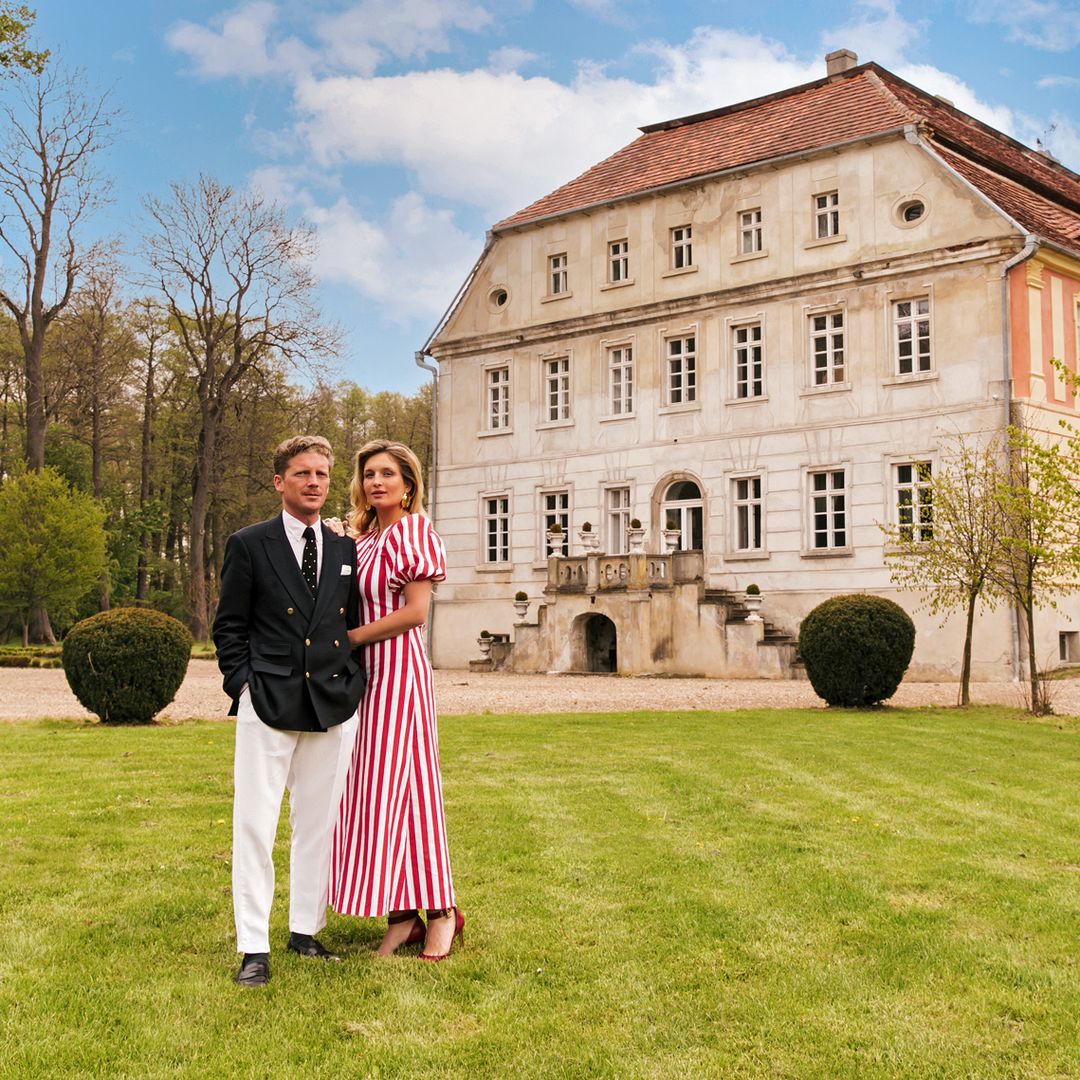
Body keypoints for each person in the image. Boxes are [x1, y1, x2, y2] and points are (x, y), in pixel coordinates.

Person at [213, 435, 367, 988]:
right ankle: (254, 946)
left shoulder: (346, 549)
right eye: (303, 473)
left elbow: (347, 620)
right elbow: (229, 626)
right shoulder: (249, 544)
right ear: (280, 482)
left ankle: (305, 929)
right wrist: (244, 684)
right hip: (268, 700)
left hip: (331, 701)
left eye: (322, 474)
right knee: (254, 825)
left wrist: (353, 681)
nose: (314, 482)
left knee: (317, 825)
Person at [326, 439, 463, 961]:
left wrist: (351, 639)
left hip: (399, 672)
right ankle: (403, 914)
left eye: (387, 474)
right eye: (368, 474)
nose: (376, 482)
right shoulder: (362, 537)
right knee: (378, 794)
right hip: (364, 679)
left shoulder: (413, 532)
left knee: (412, 791)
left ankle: (442, 911)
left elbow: (414, 614)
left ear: (409, 484)